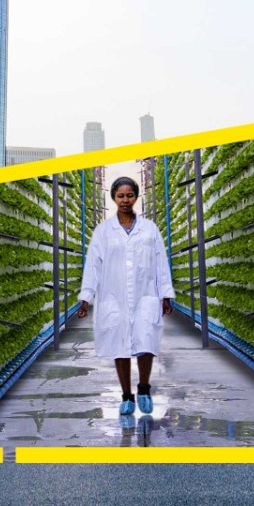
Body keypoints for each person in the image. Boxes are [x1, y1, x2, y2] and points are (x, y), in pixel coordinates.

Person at [77, 176, 175, 419]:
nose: (125, 200)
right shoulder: (103, 232)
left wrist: (165, 294)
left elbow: (161, 263)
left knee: (146, 343)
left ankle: (143, 389)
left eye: (129, 195)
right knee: (119, 346)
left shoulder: (150, 229)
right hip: (114, 295)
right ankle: (126, 396)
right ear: (114, 198)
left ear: (135, 197)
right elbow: (93, 266)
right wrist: (86, 297)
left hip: (145, 296)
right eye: (120, 196)